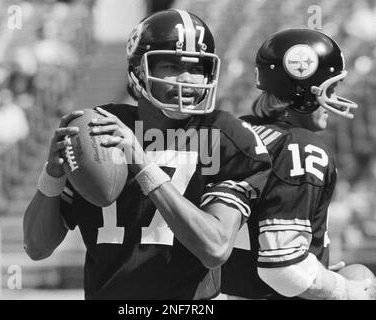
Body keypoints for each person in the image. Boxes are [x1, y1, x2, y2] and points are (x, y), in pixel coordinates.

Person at [23, 9, 271, 299]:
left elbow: (214, 249)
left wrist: (141, 162)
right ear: (138, 70)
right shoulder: (98, 129)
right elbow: (37, 248)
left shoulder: (226, 135)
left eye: (197, 67)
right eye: (171, 66)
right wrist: (51, 175)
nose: (188, 80)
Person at [220, 28, 374, 300]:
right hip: (268, 292)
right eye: (331, 88)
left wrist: (317, 272)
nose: (335, 99)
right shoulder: (300, 146)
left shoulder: (237, 132)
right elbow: (284, 270)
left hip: (227, 290)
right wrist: (339, 288)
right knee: (361, 278)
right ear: (303, 91)